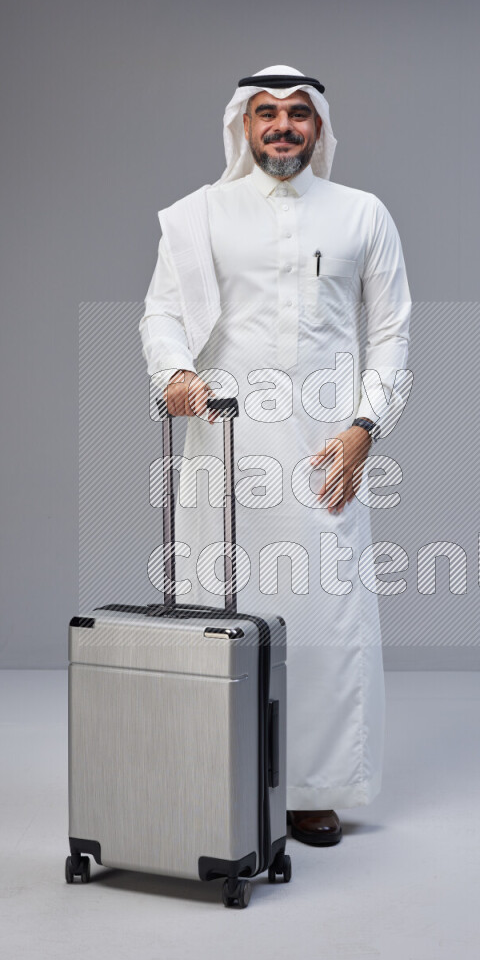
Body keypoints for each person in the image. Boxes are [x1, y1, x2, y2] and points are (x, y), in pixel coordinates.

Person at [139, 65, 411, 846]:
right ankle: (215, 777)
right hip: (225, 449)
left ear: (319, 126)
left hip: (326, 450)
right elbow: (159, 314)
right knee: (217, 612)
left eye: (298, 113)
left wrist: (367, 426)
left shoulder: (362, 214)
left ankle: (311, 790)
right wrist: (175, 373)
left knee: (323, 618)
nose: (282, 126)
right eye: (267, 112)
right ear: (243, 124)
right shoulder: (199, 216)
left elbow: (392, 331)